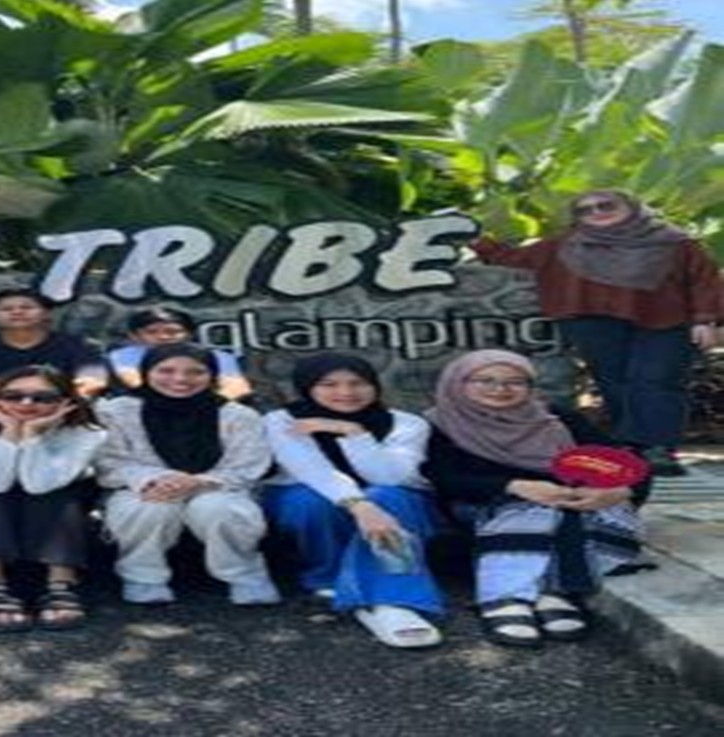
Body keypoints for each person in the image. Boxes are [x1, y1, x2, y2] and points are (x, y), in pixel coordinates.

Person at [470, 190, 723, 476]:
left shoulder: (675, 242)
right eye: (585, 210)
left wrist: (706, 319)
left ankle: (658, 448)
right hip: (593, 321)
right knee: (614, 382)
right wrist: (475, 239)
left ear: (632, 207)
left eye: (606, 205)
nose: (596, 212)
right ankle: (632, 445)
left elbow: (704, 280)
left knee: (657, 380)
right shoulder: (565, 244)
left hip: (666, 320)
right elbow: (512, 258)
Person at [423, 349, 648, 648]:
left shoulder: (557, 419)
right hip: (480, 505)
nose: (500, 389)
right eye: (485, 380)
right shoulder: (439, 424)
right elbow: (444, 478)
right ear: (458, 383)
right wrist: (514, 486)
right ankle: (507, 597)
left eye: (515, 382)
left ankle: (551, 592)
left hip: (566, 501)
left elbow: (630, 465)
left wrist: (620, 491)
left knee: (591, 513)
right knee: (530, 511)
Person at [261, 353, 444, 649]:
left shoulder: (407, 423)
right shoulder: (282, 420)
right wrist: (358, 504)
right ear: (307, 387)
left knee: (385, 495)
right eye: (329, 384)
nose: (346, 392)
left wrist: (353, 432)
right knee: (311, 501)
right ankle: (331, 578)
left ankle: (393, 599)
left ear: (374, 385)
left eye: (358, 383)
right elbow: (309, 469)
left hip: (392, 497)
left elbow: (389, 476)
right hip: (310, 491)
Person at [96, 344, 279, 608]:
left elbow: (248, 465)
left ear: (212, 375)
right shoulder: (116, 411)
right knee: (148, 508)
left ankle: (245, 574)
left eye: (196, 372)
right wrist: (158, 478)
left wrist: (200, 481)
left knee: (219, 509)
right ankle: (142, 577)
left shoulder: (238, 416)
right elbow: (108, 461)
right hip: (142, 487)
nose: (181, 379)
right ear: (146, 372)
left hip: (218, 486)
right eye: (166, 371)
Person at [0, 365, 106, 632]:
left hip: (60, 490)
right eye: (13, 396)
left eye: (43, 397)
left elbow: (39, 484)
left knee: (56, 492)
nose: (27, 403)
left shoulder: (87, 432)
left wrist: (31, 435)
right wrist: (10, 431)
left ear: (66, 401)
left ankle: (61, 581)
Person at [0, 288, 107, 404]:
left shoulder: (75, 344)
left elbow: (93, 381)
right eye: (6, 309)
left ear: (46, 313)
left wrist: (44, 397)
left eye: (27, 307)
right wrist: (16, 395)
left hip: (56, 403)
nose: (17, 312)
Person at [106, 307, 251, 400]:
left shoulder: (218, 356)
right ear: (135, 336)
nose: (163, 337)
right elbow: (134, 382)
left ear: (189, 335)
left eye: (172, 332)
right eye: (151, 332)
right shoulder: (123, 355)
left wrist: (207, 407)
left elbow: (238, 388)